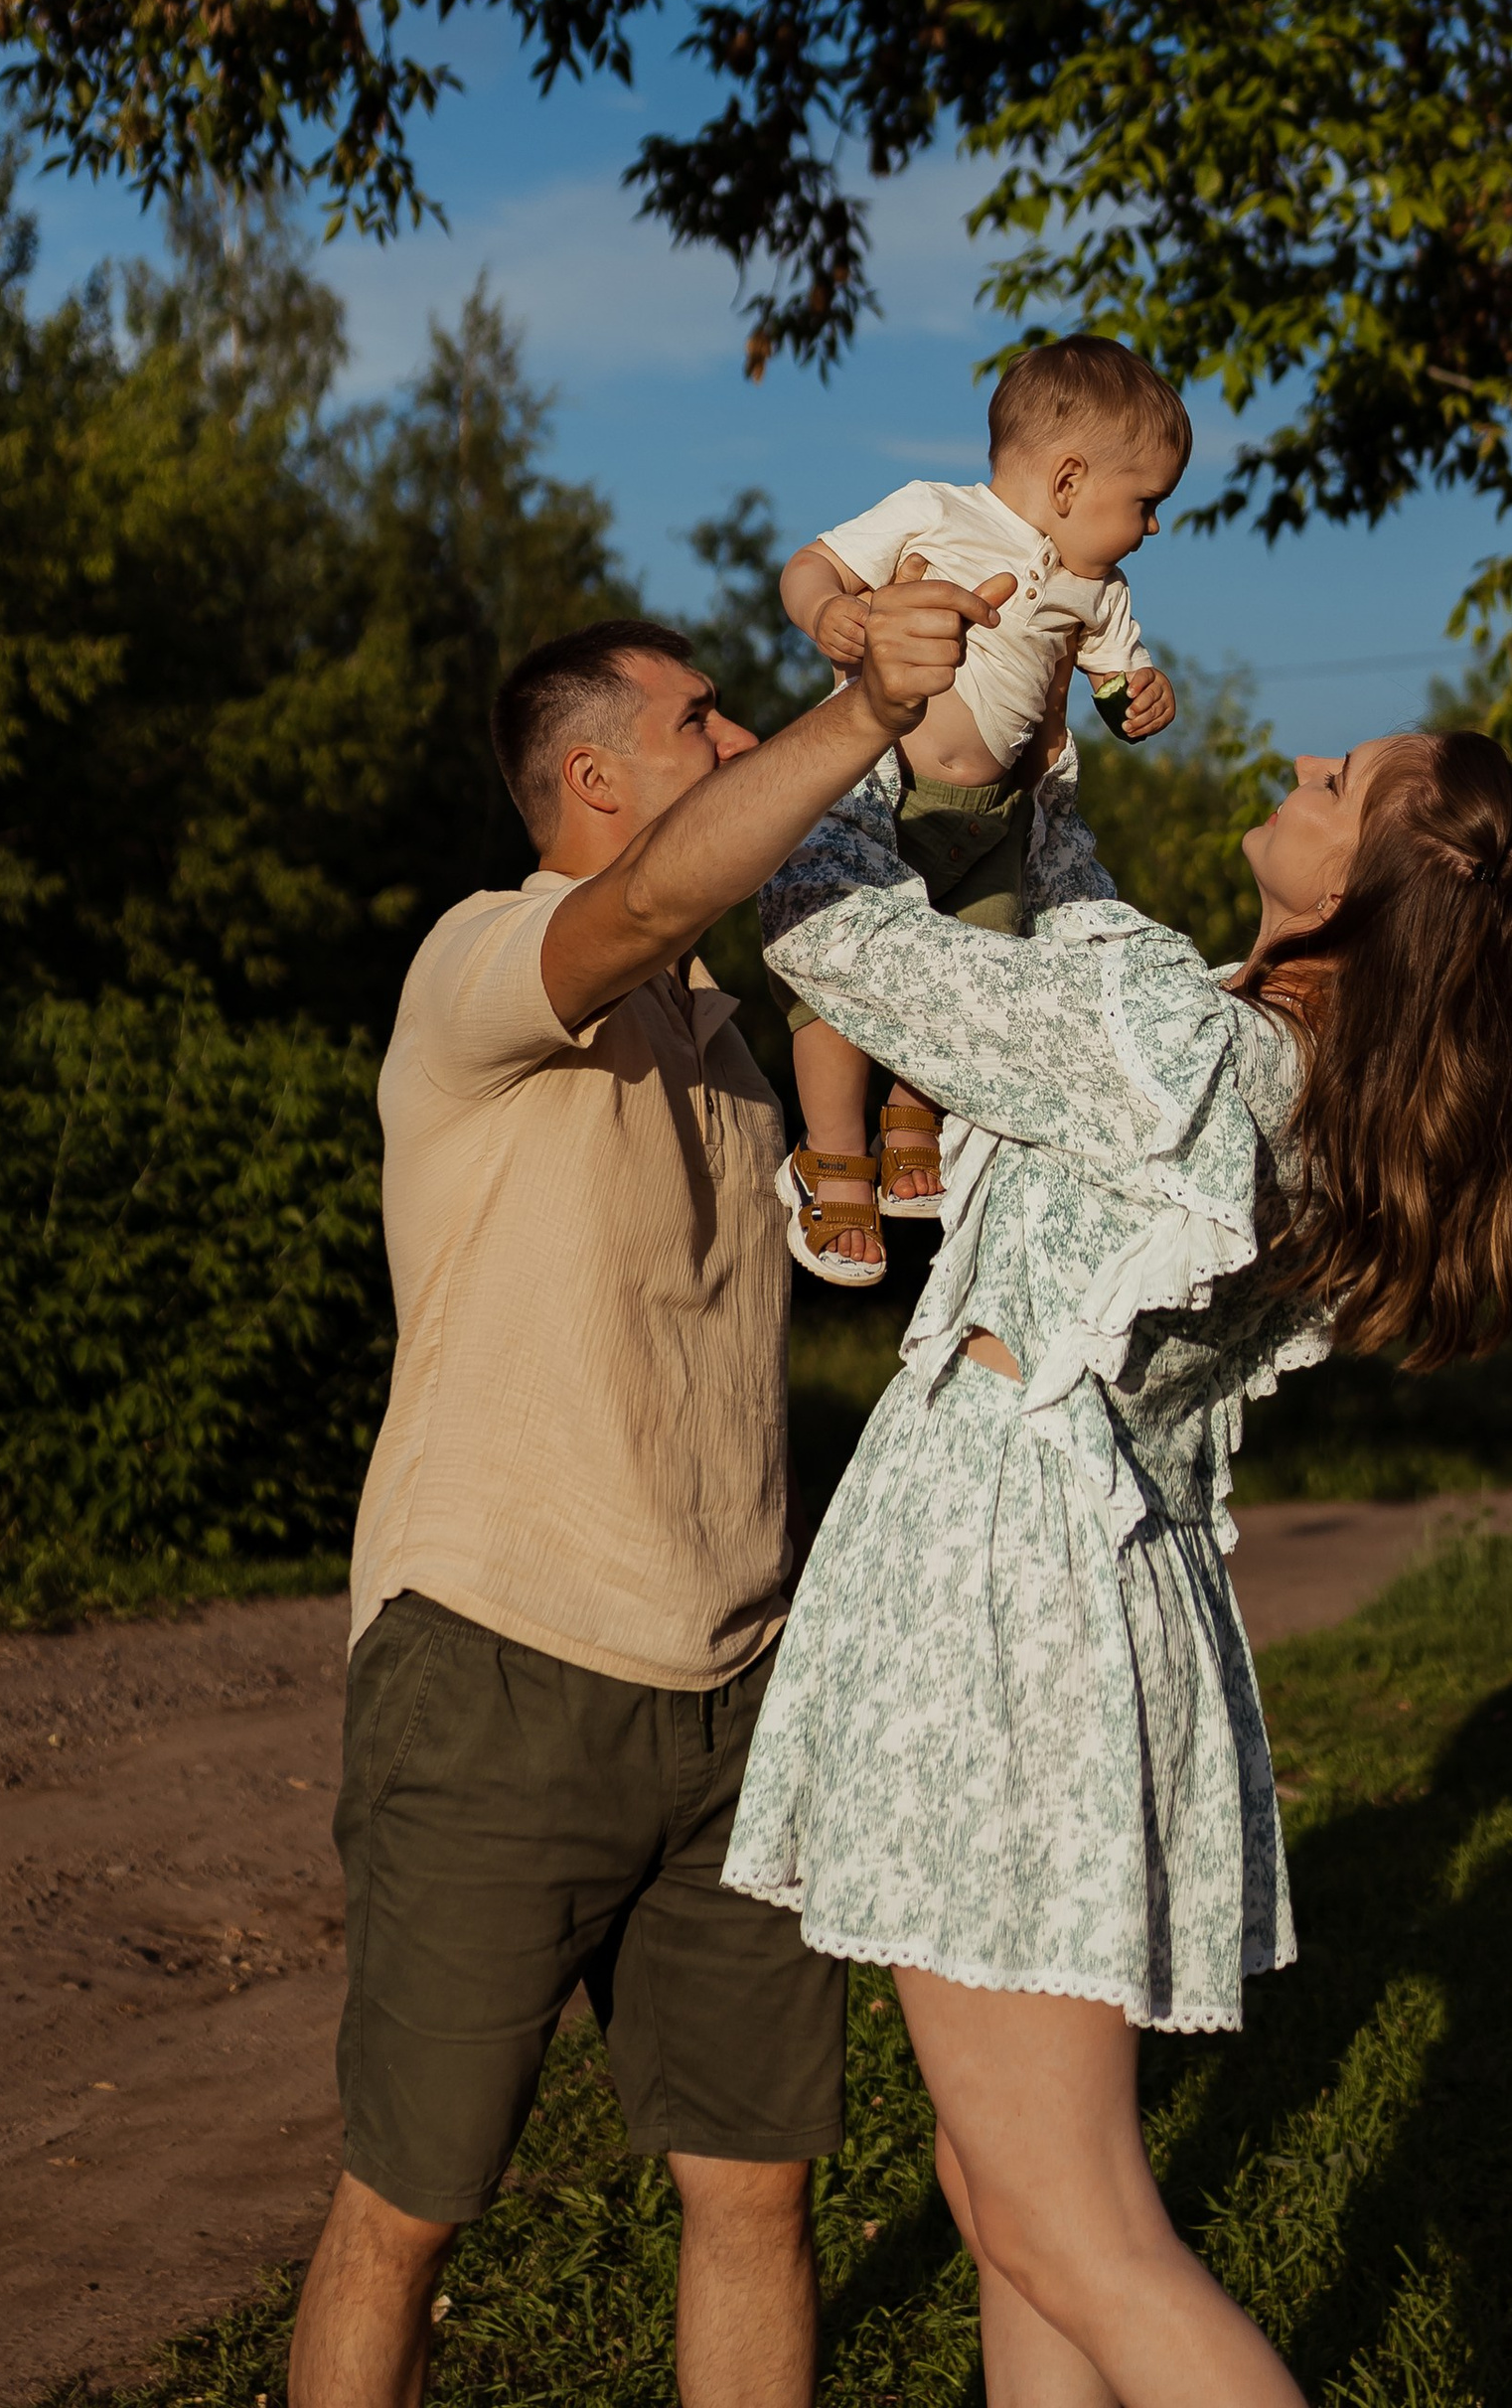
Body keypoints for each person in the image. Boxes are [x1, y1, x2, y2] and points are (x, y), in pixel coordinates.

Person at [722, 712, 1512, 2407]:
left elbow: (824, 922)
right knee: (1009, 2197)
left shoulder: (1176, 1049)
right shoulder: (1275, 1068)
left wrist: (842, 746)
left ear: (1362, 895)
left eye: (1347, 786)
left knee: (1072, 2221)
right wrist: (1027, 754)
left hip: (1007, 1595)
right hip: (1087, 1587)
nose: (1315, 761)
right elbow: (1081, 922)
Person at [285, 570, 1013, 2408]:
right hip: (495, 1662)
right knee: (409, 2204)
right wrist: (857, 705)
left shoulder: (737, 1043)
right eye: (704, 720)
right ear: (595, 781)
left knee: (756, 2193)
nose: (739, 738)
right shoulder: (479, 966)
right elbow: (658, 899)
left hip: (739, 1690)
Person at [773, 335, 1188, 1282]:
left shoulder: (1102, 591)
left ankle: (914, 1116)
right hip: (887, 793)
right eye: (1147, 503)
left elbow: (1121, 688)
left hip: (996, 813)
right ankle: (831, 1154)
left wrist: (1144, 697)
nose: (1154, 527)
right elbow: (813, 562)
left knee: (976, 961)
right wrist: (828, 613)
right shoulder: (936, 511)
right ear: (1072, 479)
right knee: (831, 957)